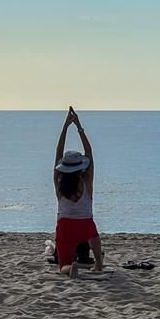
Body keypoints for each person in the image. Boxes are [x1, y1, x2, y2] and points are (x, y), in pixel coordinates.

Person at [53, 106, 104, 278]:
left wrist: (65, 127)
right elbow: (89, 152)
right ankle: (98, 263)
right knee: (93, 233)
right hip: (85, 225)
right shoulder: (87, 180)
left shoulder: (59, 182)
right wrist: (78, 126)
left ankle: (70, 268)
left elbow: (57, 153)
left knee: (63, 266)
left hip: (65, 226)